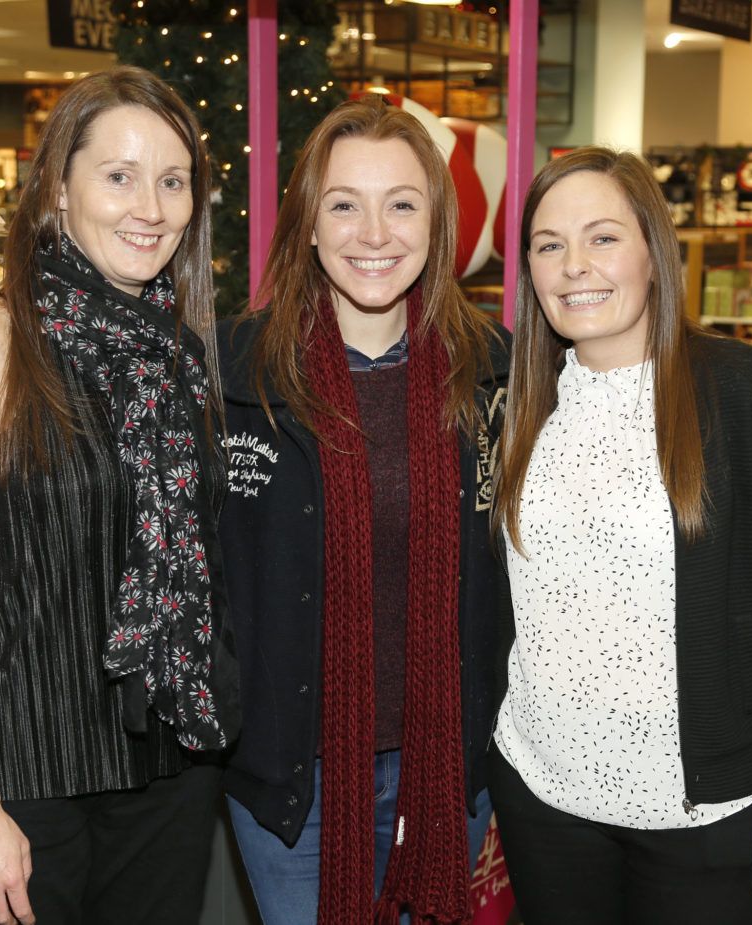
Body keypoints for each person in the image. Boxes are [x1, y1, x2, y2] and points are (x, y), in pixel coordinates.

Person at [0, 67, 239, 925]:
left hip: (169, 771)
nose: (148, 207)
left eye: (171, 180)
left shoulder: (179, 355)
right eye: (118, 176)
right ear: (57, 189)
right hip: (20, 783)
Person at [489, 147, 752, 925]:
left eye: (603, 237)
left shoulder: (745, 392)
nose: (575, 265)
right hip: (543, 798)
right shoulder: (517, 403)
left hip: (707, 815)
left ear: (654, 250)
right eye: (549, 244)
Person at [217, 95, 511, 924]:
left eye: (402, 204)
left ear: (437, 223)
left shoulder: (498, 373)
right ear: (307, 224)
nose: (373, 233)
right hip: (291, 782)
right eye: (344, 204)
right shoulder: (232, 373)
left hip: (446, 768)